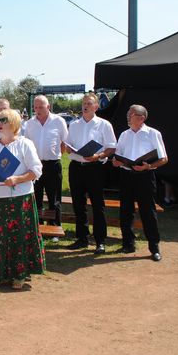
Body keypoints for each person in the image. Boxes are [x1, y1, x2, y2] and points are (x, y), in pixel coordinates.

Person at [0, 109, 44, 289]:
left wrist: (18, 179)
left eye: (4, 120)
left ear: (14, 124)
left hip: (19, 198)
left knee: (18, 235)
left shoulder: (24, 144)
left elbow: (36, 170)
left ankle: (19, 273)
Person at [111, 105, 168, 261]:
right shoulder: (124, 134)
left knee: (148, 212)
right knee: (126, 210)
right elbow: (118, 155)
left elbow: (163, 158)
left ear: (141, 118)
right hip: (126, 175)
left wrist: (149, 166)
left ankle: (154, 248)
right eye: (128, 113)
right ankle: (128, 244)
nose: (128, 116)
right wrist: (116, 162)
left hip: (145, 176)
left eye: (131, 114)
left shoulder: (153, 133)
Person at [65, 93, 117, 254]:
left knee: (97, 204)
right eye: (83, 103)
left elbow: (111, 147)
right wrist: (69, 148)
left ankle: (100, 241)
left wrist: (99, 156)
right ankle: (82, 238)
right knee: (78, 204)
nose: (85, 106)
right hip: (76, 167)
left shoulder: (104, 124)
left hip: (95, 168)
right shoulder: (74, 125)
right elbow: (68, 144)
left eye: (89, 103)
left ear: (96, 106)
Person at [24, 95, 68, 242]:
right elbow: (27, 145)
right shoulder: (30, 123)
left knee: (54, 199)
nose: (37, 110)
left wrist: (55, 155)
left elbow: (64, 142)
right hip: (35, 166)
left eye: (40, 107)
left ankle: (54, 230)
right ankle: (38, 228)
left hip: (52, 165)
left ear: (48, 107)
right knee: (35, 198)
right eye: (35, 107)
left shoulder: (59, 121)